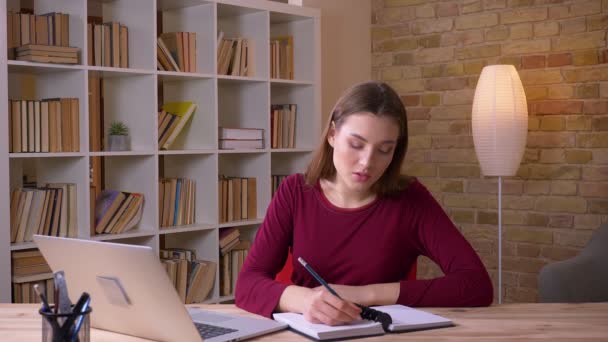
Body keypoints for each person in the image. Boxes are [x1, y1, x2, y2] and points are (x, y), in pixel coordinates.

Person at [235, 81, 493, 326]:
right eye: (356, 144)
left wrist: (364, 294)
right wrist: (306, 300)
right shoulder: (295, 192)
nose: (367, 162)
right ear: (333, 135)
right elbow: (247, 284)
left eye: (384, 150)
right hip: (308, 333)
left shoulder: (411, 199)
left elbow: (475, 284)